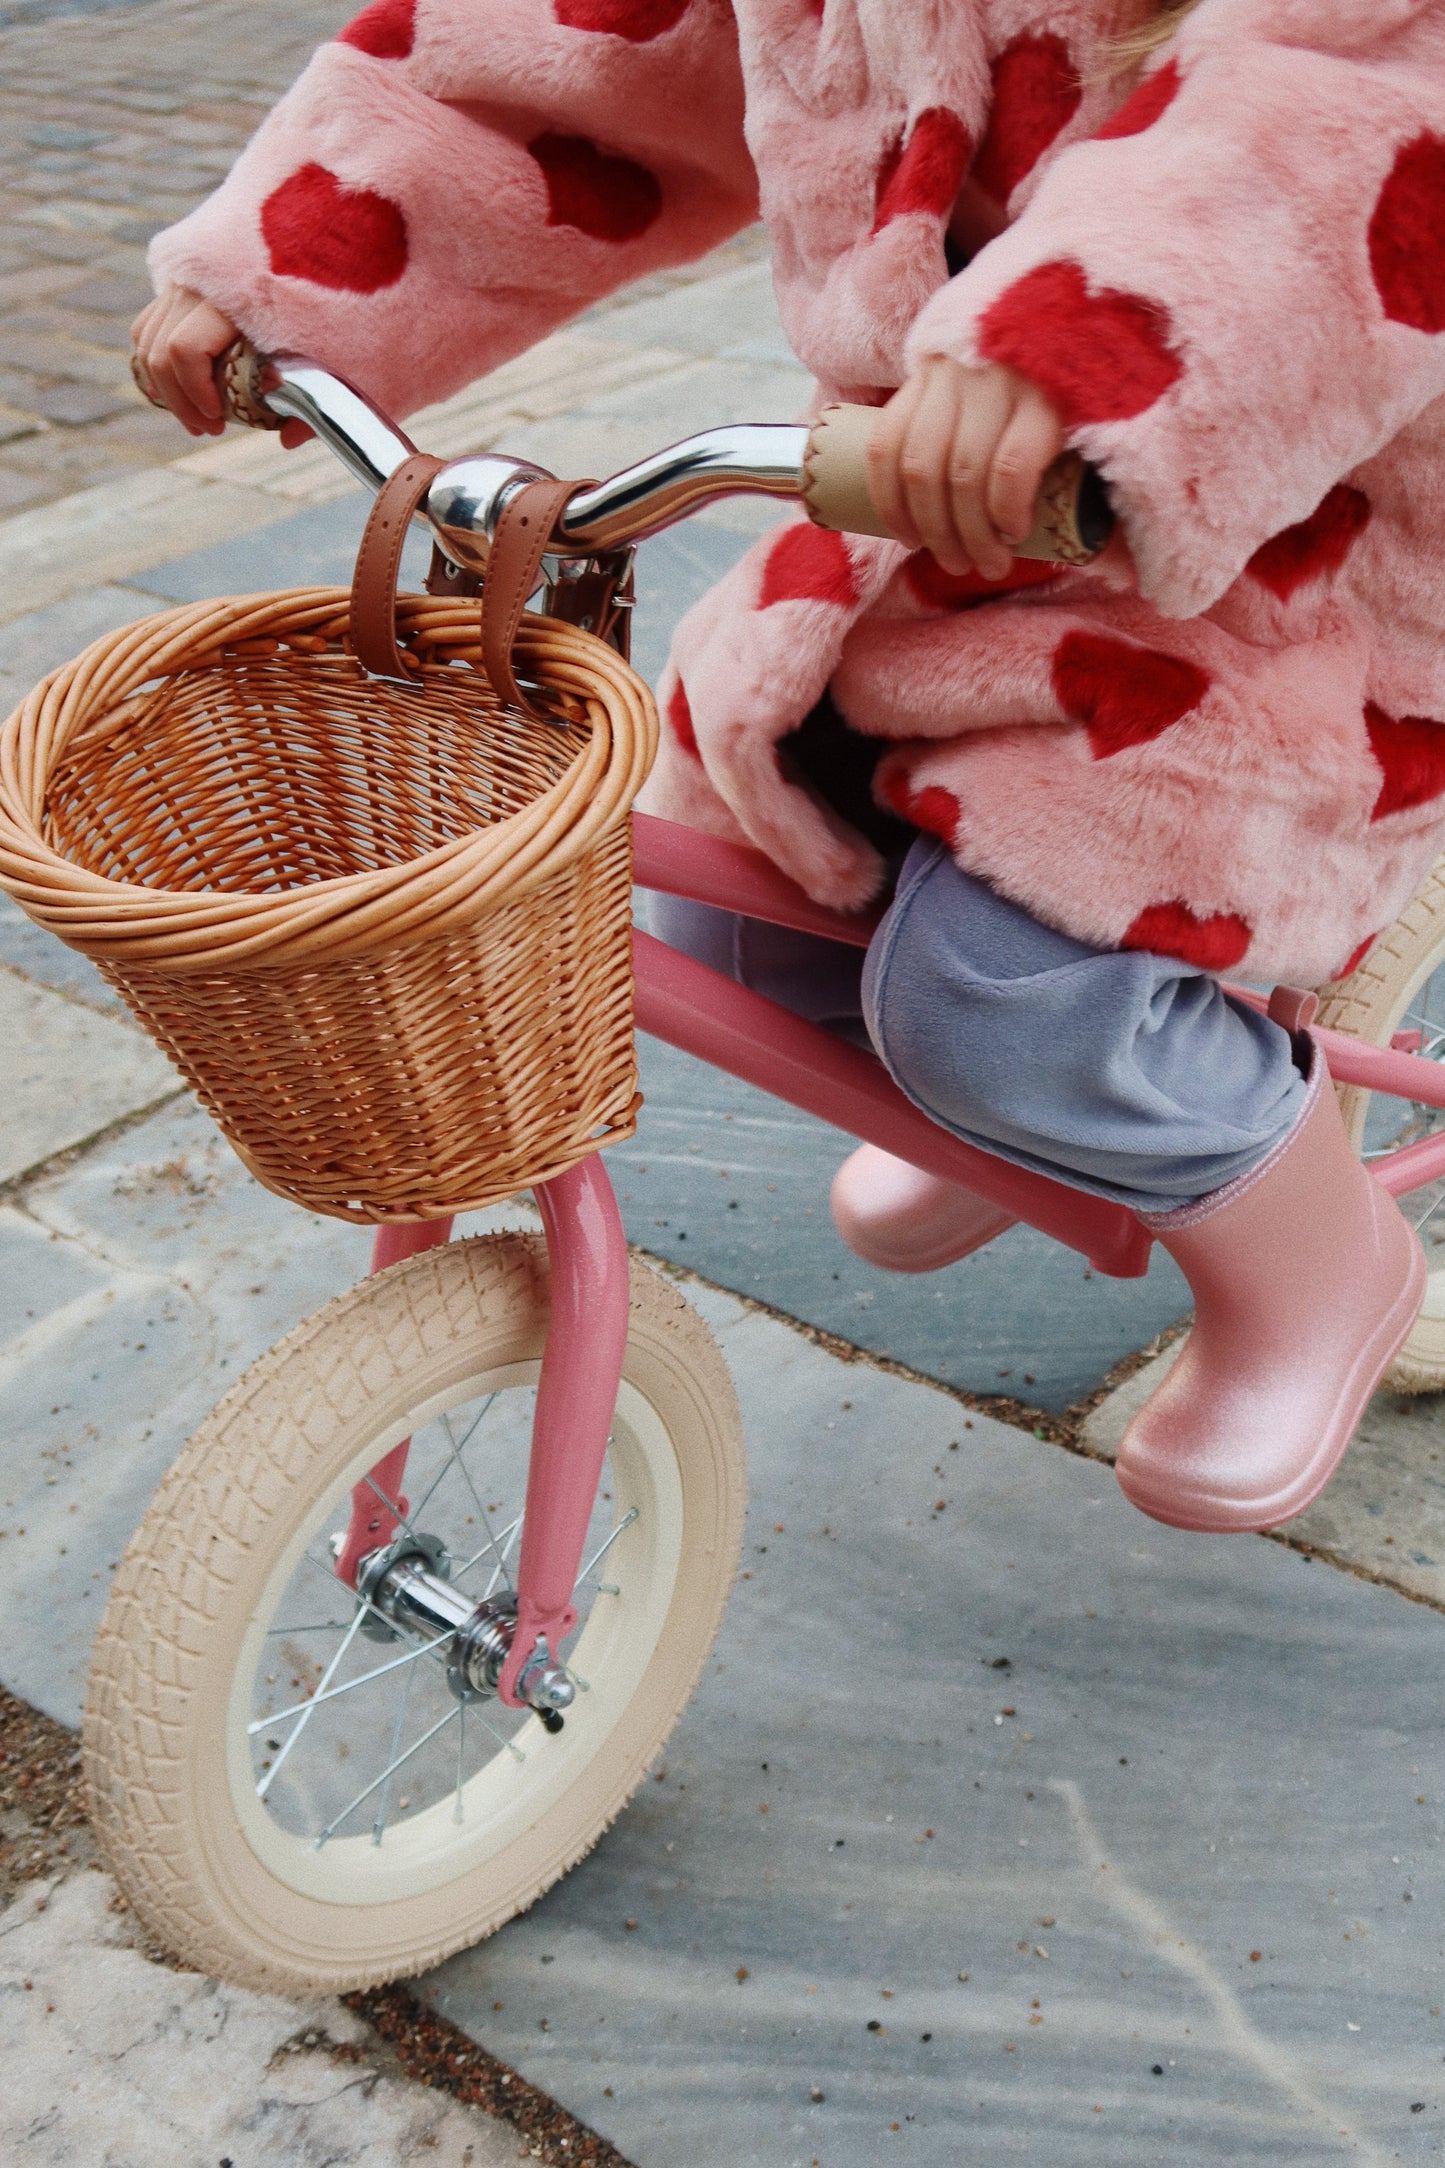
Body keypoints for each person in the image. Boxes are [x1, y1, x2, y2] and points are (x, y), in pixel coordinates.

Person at [132, 0, 1443, 1535]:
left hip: (1285, 576)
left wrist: (1089, 337)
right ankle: (1008, 1114)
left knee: (1006, 998)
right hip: (930, 521)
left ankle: (1316, 1255)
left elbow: (1347, 109)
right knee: (741, 903)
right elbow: (558, 66)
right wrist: (280, 279)